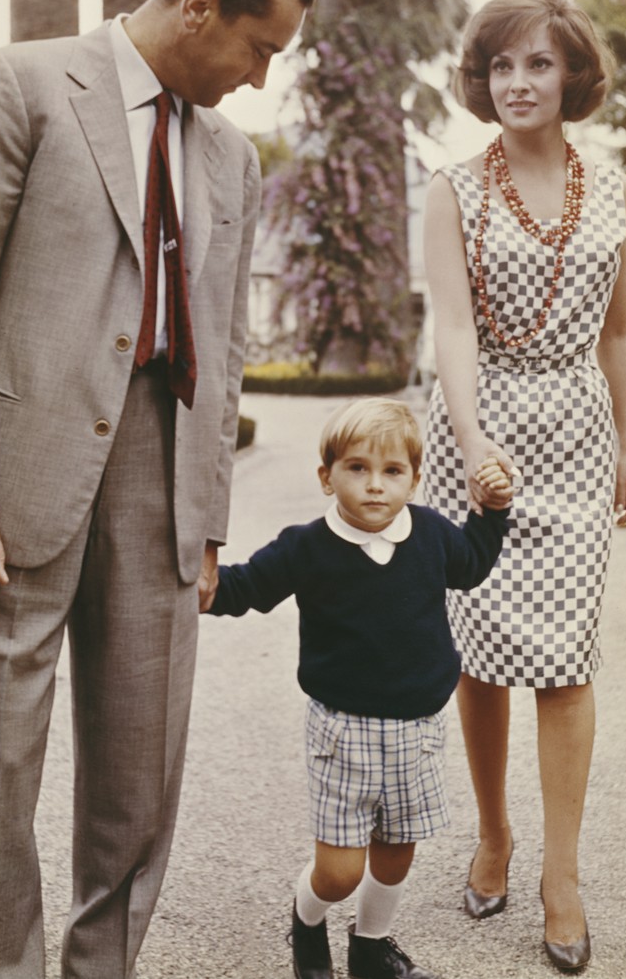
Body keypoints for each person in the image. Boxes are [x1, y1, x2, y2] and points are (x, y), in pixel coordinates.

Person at [0, 0, 315, 979]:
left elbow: (225, 344)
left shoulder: (231, 157)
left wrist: (207, 519)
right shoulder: (19, 86)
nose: (260, 79)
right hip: (10, 476)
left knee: (141, 780)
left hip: (163, 478)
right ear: (200, 6)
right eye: (259, 49)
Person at [421, 0, 626, 973]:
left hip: (577, 439)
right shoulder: (452, 189)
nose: (518, 82)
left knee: (565, 658)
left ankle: (562, 873)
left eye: (539, 63)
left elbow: (620, 333)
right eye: (501, 65)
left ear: (572, 75)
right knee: (478, 648)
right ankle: (493, 833)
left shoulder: (616, 191)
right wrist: (472, 442)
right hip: (481, 435)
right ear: (483, 79)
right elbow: (453, 327)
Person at [204, 397, 511, 979]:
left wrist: (492, 511)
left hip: (418, 732)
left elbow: (472, 564)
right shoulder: (305, 546)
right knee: (340, 872)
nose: (375, 485)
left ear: (414, 480)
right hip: (343, 735)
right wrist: (204, 587)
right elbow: (247, 587)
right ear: (327, 477)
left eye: (392, 471)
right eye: (357, 468)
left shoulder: (431, 534)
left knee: (395, 856)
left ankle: (370, 947)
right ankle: (307, 919)